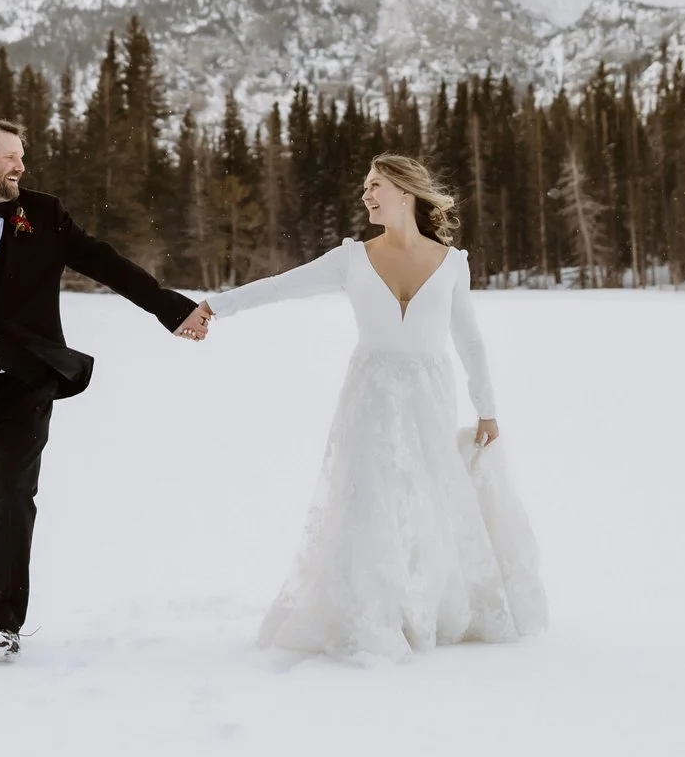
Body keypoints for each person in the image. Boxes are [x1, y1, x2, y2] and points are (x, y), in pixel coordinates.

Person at [179, 153, 547, 661]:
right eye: (366, 186)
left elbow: (470, 341)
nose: (366, 195)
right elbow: (282, 285)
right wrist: (214, 305)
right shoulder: (351, 259)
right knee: (370, 497)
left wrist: (487, 409)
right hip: (371, 394)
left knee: (427, 498)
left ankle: (424, 605)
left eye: (375, 186)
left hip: (430, 396)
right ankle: (371, 613)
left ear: (405, 192)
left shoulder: (452, 264)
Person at [0, 117, 201, 662]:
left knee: (13, 491)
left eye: (21, 155)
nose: (21, 165)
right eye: (10, 156)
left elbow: (105, 263)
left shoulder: (45, 214)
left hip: (27, 378)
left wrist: (170, 309)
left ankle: (6, 622)